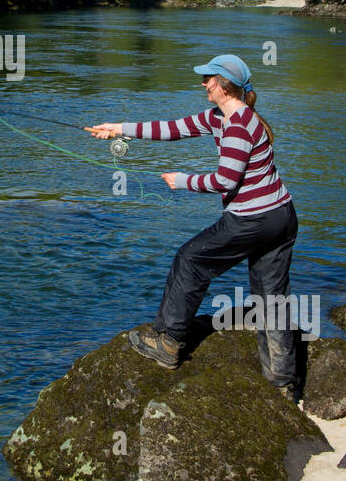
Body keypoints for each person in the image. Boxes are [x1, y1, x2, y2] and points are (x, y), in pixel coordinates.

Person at [85, 53, 303, 403]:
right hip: (281, 215)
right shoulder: (222, 116)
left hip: (253, 219)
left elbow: (225, 181)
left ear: (222, 85)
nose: (203, 84)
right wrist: (119, 128)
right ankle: (283, 385)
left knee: (190, 260)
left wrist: (181, 180)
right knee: (271, 298)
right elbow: (172, 129)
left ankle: (168, 342)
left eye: (208, 79)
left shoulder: (236, 126)